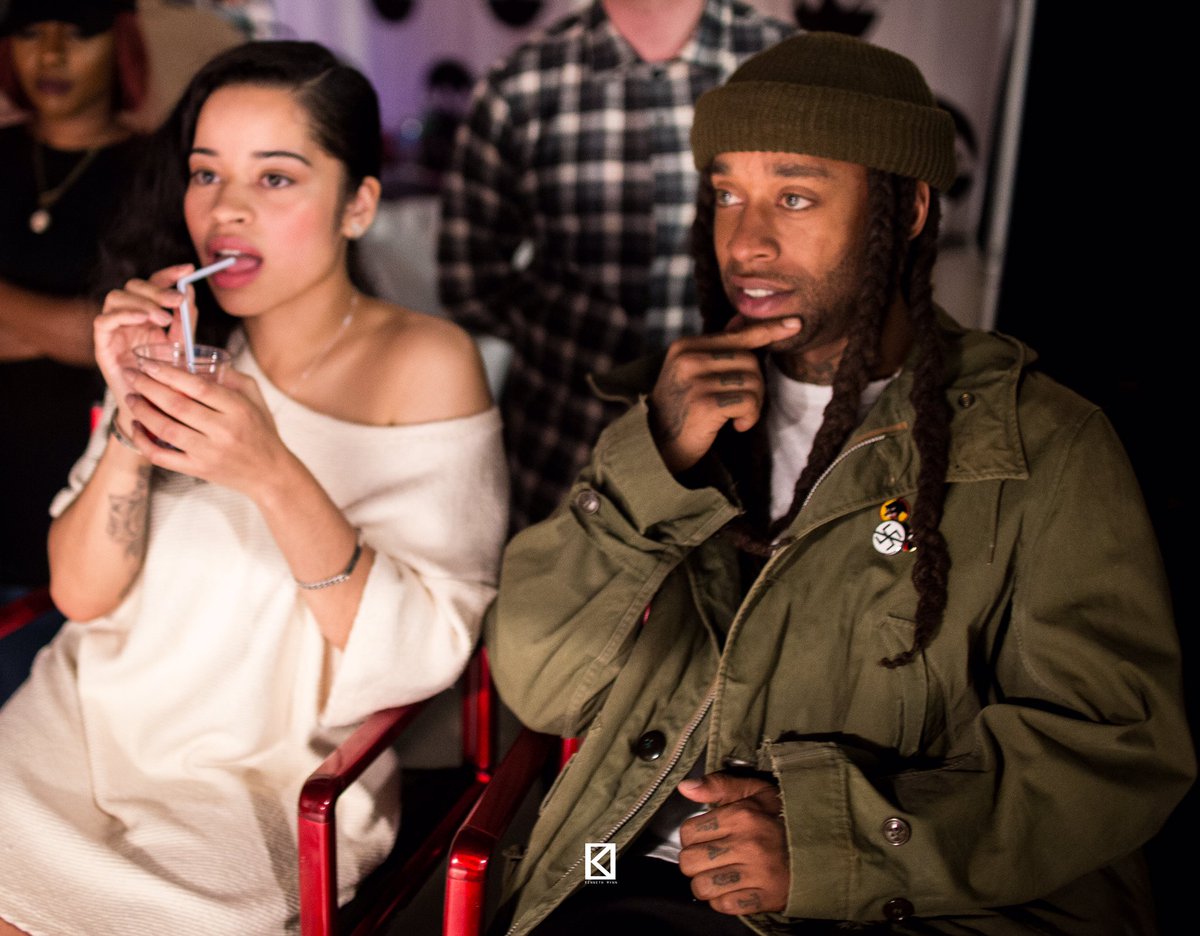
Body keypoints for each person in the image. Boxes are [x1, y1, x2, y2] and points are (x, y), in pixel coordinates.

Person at [484, 32, 1194, 935]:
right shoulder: (673, 414)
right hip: (623, 861)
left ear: (907, 210)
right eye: (727, 195)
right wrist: (649, 464)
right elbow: (538, 684)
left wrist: (833, 844)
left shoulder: (1041, 445)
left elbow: (1112, 749)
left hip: (904, 906)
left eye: (795, 196)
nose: (747, 241)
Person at [0, 40, 506, 936]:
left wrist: (270, 471)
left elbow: (423, 654)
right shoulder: (186, 344)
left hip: (258, 787)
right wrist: (133, 412)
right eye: (206, 174)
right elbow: (80, 595)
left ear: (358, 205)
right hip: (76, 732)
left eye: (274, 178)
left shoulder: (426, 363)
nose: (225, 210)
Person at [438, 0, 791, 531]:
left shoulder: (786, 66)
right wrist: (568, 338)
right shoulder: (522, 82)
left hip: (749, 447)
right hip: (565, 446)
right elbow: (468, 281)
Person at [0, 0, 146, 609]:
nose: (51, 54)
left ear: (121, 41)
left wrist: (83, 331)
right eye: (31, 31)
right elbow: (83, 328)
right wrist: (62, 326)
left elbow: (124, 334)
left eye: (77, 33)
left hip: (82, 486)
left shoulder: (155, 170)